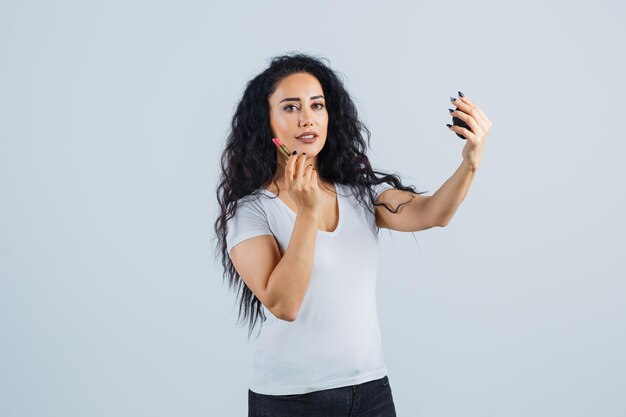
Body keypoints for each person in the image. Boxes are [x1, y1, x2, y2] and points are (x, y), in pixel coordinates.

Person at [213, 52, 492, 416]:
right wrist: (308, 213)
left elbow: (433, 213)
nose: (307, 118)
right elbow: (285, 304)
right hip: (291, 400)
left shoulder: (359, 195)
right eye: (291, 107)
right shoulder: (251, 211)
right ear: (265, 122)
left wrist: (470, 162)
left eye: (317, 105)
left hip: (371, 392)